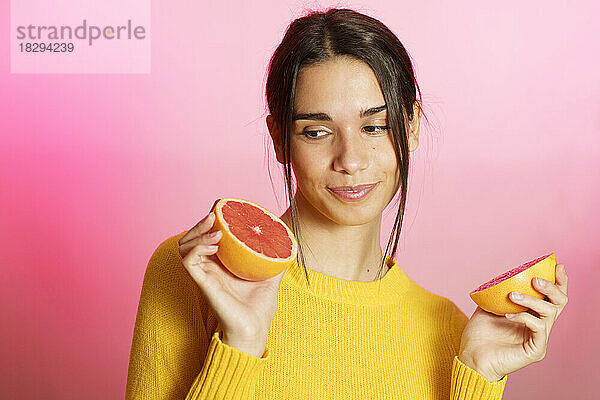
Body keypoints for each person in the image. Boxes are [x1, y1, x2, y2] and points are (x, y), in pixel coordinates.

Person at [126, 7, 569, 400]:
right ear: (280, 138)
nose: (351, 160)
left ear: (411, 127)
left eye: (375, 127)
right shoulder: (198, 271)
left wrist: (478, 380)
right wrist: (240, 345)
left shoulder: (454, 331)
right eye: (316, 132)